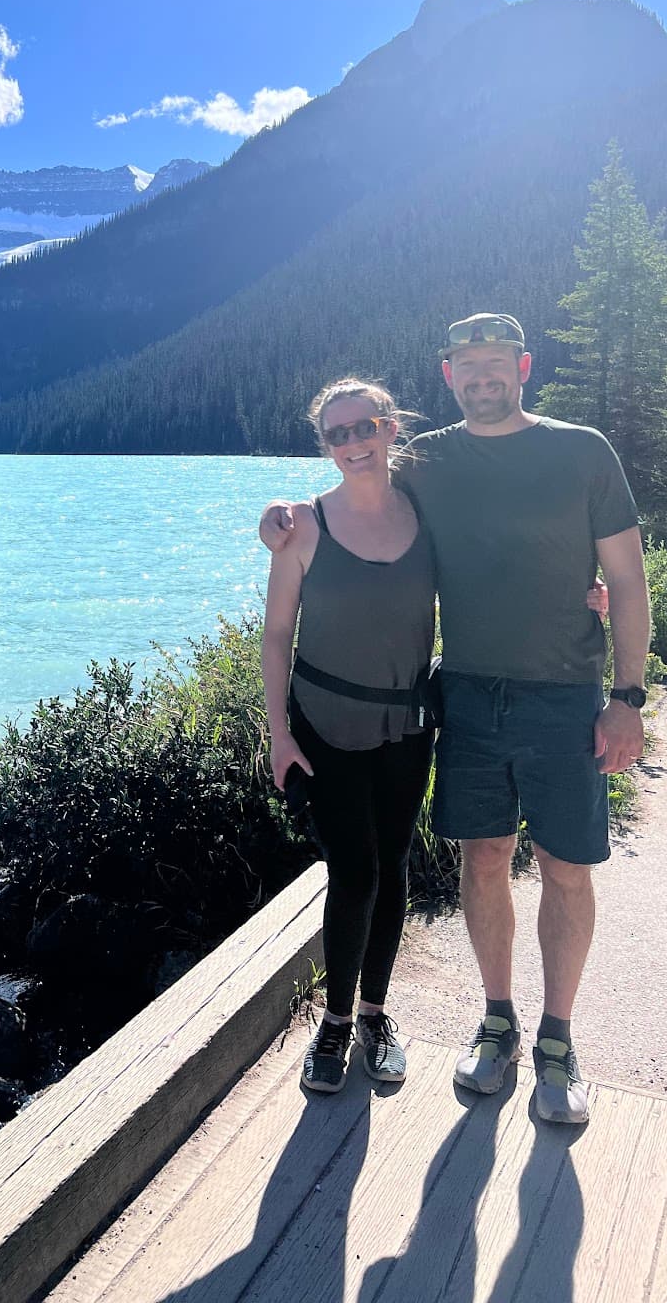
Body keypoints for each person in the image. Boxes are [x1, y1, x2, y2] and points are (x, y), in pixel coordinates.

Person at [261, 313, 649, 1124]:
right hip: (465, 694)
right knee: (481, 860)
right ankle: (494, 1022)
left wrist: (627, 694)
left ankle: (557, 1041)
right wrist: (278, 519)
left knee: (565, 868)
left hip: (560, 694)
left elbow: (629, 578)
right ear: (447, 376)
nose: (482, 378)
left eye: (496, 364)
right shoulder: (427, 460)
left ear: (523, 367)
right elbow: (343, 509)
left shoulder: (581, 451)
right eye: (467, 366)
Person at [262, 377, 436, 1094]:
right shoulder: (302, 525)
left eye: (364, 427)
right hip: (325, 724)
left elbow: (499, 565)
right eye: (337, 434)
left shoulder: (427, 511)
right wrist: (277, 734)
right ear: (326, 445)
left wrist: (580, 593)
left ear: (390, 428)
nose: (353, 443)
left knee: (393, 867)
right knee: (354, 871)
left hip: (407, 722)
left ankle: (374, 1013)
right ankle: (334, 1023)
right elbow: (276, 638)